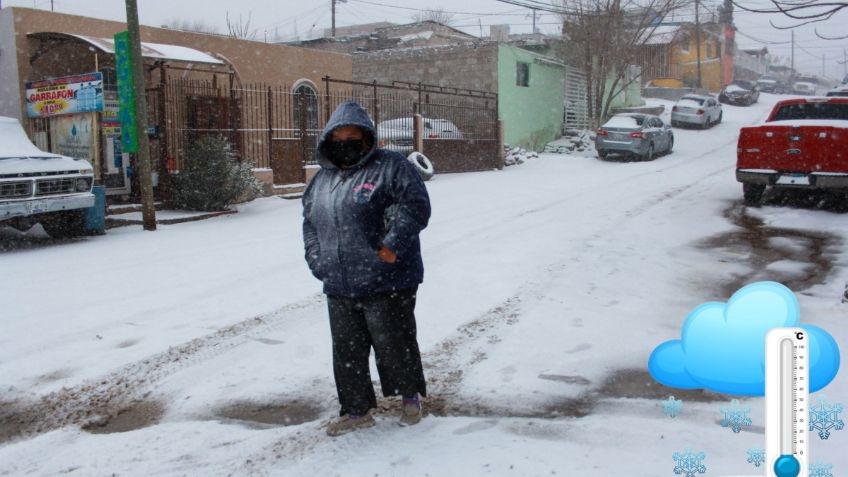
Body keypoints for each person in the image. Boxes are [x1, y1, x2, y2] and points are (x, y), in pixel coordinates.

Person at [302, 101, 431, 437]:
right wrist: (316, 260)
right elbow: (310, 223)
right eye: (338, 137)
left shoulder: (391, 166)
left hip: (387, 279)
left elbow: (415, 207)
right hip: (339, 281)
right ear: (328, 141)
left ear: (367, 138)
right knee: (347, 350)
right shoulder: (321, 180)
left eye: (352, 137)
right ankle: (356, 410)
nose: (345, 143)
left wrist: (391, 247)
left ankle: (410, 398)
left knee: (394, 343)